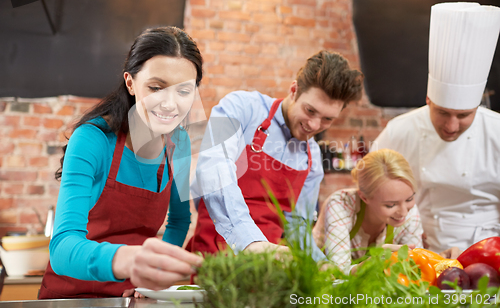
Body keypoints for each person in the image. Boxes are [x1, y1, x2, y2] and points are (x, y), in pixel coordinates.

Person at [39, 27, 204, 299]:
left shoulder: (180, 145)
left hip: (132, 295)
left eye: (184, 91)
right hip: (71, 297)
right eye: (156, 87)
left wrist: (151, 282)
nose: (170, 104)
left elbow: (179, 220)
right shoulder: (93, 139)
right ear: (130, 83)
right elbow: (62, 248)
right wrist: (128, 260)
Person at [188, 50, 364, 261]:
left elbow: (298, 228)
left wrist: (322, 266)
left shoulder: (312, 157)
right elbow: (214, 173)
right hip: (214, 257)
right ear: (293, 90)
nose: (315, 125)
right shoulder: (241, 108)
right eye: (310, 111)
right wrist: (251, 241)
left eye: (327, 119)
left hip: (269, 268)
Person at [374, 2, 500, 258]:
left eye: (464, 115)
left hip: (491, 255)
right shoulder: (399, 131)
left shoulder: (496, 131)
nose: (451, 126)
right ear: (428, 100)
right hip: (418, 255)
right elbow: (369, 193)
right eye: (442, 112)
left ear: (478, 105)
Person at [312, 149, 423, 274]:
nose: (403, 212)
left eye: (409, 199)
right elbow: (338, 272)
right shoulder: (340, 204)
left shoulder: (410, 212)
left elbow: (416, 269)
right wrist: (373, 263)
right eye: (391, 205)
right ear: (364, 197)